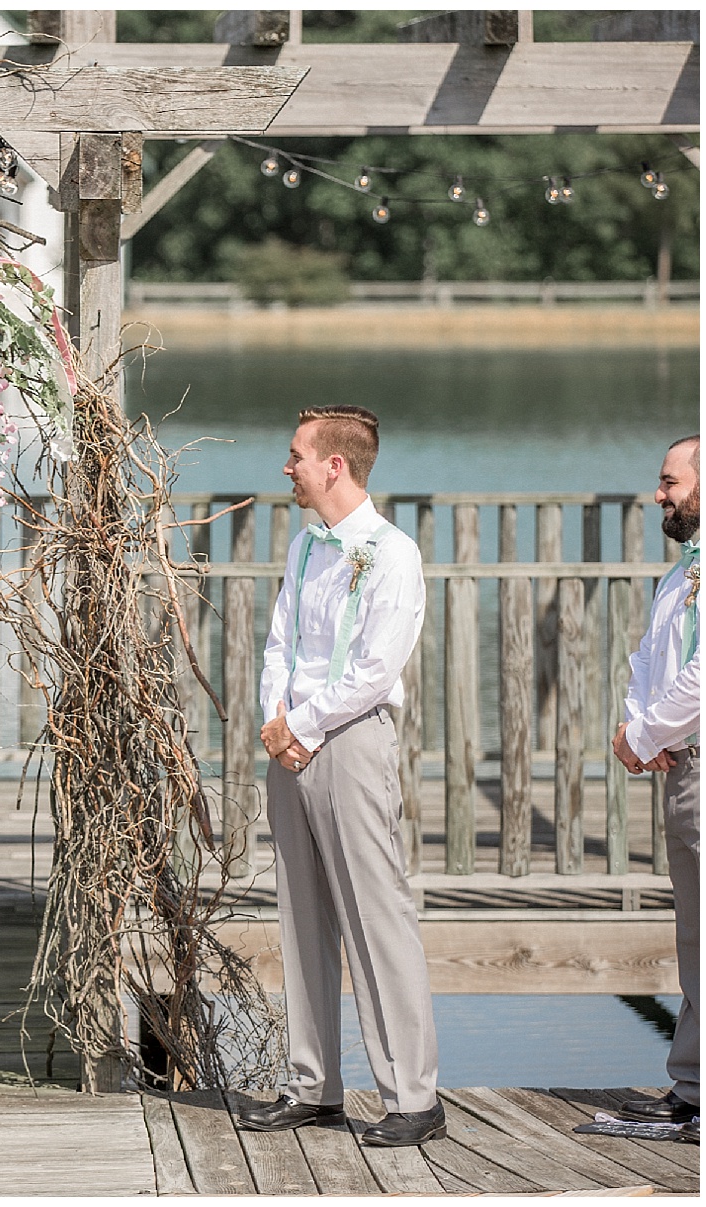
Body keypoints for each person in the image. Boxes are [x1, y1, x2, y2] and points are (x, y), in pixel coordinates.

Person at [236, 405, 444, 1148]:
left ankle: (414, 1094)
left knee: (374, 914)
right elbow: (279, 641)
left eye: (295, 455)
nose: (285, 467)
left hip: (351, 739)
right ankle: (312, 1083)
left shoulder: (392, 554)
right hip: (291, 740)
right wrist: (277, 716)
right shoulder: (304, 546)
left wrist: (307, 722)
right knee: (301, 913)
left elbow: (375, 668)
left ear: (336, 465)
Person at [612, 434, 699, 1135]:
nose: (659, 494)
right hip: (681, 771)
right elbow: (650, 660)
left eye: (669, 480)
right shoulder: (679, 576)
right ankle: (693, 1088)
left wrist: (644, 737)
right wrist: (637, 724)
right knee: (693, 933)